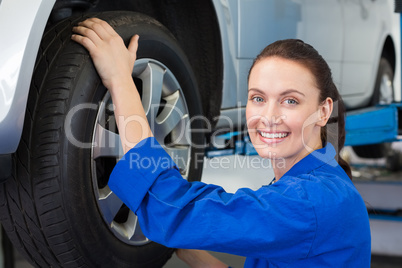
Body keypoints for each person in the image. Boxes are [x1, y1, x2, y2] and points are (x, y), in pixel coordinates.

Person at [72, 18, 371, 267]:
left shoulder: (311, 202)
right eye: (258, 98)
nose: (269, 116)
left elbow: (171, 207)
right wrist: (189, 249)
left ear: (323, 111)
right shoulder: (314, 187)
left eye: (290, 100)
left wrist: (120, 80)